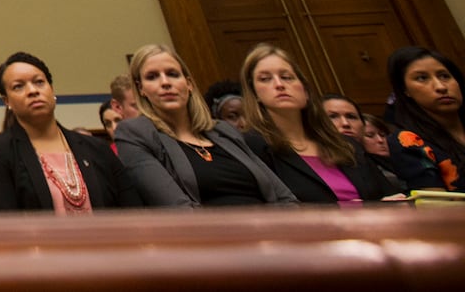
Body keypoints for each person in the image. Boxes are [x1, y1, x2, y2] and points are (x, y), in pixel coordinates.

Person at [114, 43, 295, 207]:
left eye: (172, 74)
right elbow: (178, 209)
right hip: (211, 239)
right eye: (152, 77)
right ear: (141, 90)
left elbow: (285, 198)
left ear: (189, 84)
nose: (165, 82)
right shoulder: (134, 134)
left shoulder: (223, 131)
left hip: (274, 236)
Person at [0, 52, 140, 214]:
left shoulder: (96, 148)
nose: (33, 91)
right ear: (7, 101)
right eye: (18, 86)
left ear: (52, 90)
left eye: (39, 82)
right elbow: (5, 226)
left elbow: (133, 211)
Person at [238, 44, 389, 205]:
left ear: (305, 90)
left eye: (287, 77)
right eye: (265, 79)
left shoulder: (346, 145)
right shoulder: (252, 148)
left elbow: (388, 195)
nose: (279, 84)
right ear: (255, 94)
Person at [384, 46, 465, 192]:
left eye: (444, 76)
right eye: (422, 78)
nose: (441, 87)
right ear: (405, 90)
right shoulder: (408, 141)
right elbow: (438, 208)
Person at [358, 113, 408, 195]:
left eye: (383, 135)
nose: (380, 140)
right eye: (370, 136)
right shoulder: (363, 169)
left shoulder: (403, 161)